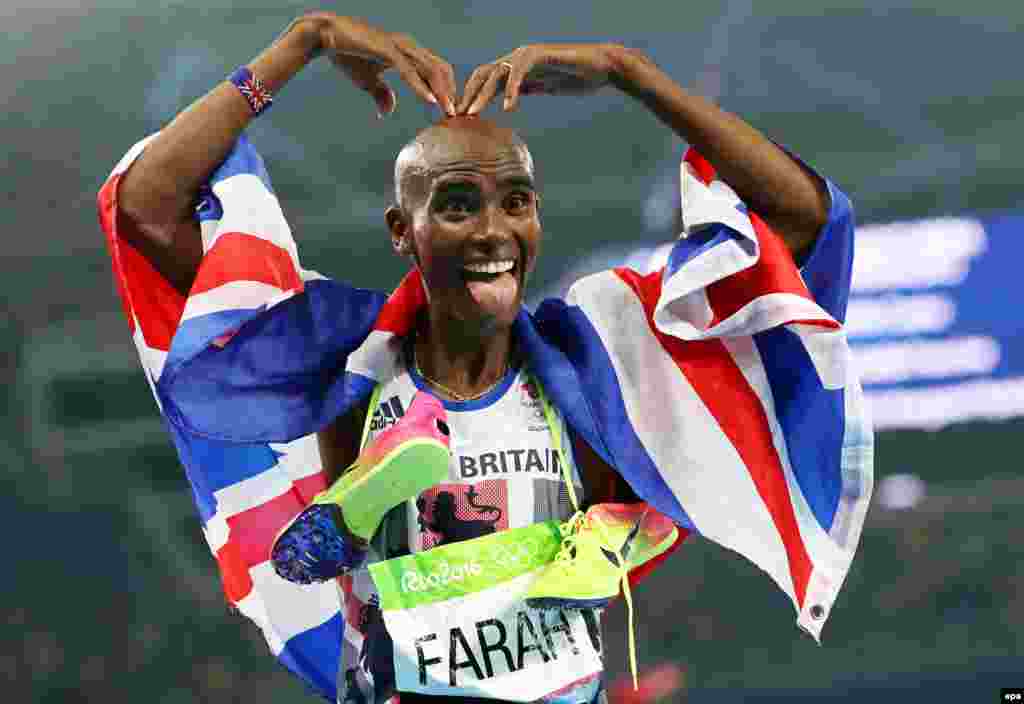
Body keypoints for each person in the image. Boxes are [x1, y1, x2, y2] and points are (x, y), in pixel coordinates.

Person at [98, 11, 872, 704]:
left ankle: (582, 526)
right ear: (403, 230)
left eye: (515, 201)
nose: (492, 231)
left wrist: (631, 74)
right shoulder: (342, 363)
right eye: (457, 204)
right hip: (385, 657)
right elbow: (148, 205)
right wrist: (303, 42)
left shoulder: (595, 364)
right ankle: (357, 514)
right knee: (337, 542)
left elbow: (803, 217)